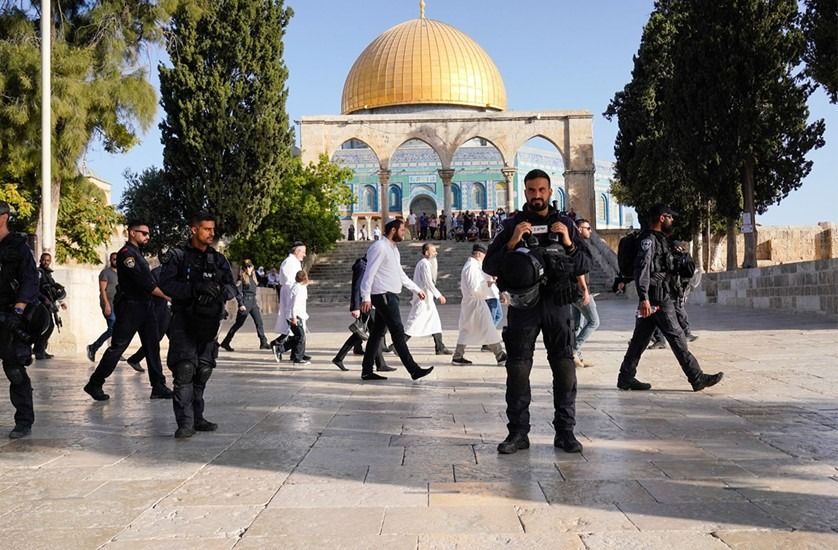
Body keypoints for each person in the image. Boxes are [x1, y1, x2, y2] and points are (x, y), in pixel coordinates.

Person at [483, 169, 591, 455]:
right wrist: (512, 241)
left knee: (564, 368)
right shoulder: (512, 225)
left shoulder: (565, 223)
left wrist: (568, 242)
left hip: (558, 304)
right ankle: (518, 433)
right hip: (524, 307)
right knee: (518, 369)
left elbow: (585, 263)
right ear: (525, 192)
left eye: (542, 190)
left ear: (550, 191)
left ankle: (565, 432)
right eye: (532, 190)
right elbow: (489, 266)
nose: (537, 195)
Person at [617, 204, 723, 392]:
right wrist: (644, 298)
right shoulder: (648, 240)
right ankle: (697, 377)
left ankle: (625, 377)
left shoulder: (661, 240)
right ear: (661, 218)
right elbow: (642, 268)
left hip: (658, 295)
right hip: (657, 297)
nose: (672, 220)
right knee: (677, 337)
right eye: (670, 217)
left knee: (640, 340)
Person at [158, 212, 237, 439]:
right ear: (194, 230)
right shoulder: (178, 256)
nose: (212, 233)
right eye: (207, 229)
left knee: (203, 370)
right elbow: (166, 285)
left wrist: (218, 291)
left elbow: (232, 287)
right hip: (183, 320)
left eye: (213, 229)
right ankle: (185, 422)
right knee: (184, 370)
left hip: (209, 322)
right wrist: (195, 289)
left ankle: (197, 417)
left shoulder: (218, 259)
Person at [83, 221, 173, 401]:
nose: (147, 237)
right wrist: (167, 296)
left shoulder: (138, 254)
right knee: (118, 347)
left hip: (145, 306)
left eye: (148, 234)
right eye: (144, 233)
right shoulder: (127, 254)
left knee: (152, 345)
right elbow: (145, 282)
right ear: (132, 232)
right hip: (131, 307)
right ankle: (95, 383)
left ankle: (158, 385)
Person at [359, 219, 434, 382]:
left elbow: (400, 274)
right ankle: (414, 370)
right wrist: (365, 296)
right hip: (383, 295)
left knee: (377, 333)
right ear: (393, 230)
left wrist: (416, 289)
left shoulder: (393, 249)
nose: (404, 232)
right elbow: (369, 273)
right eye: (401, 230)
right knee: (398, 331)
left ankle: (366, 371)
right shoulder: (379, 247)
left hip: (391, 294)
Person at [0, 201, 41, 438]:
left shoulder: (19, 247)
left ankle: (24, 420)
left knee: (14, 369)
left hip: (10, 315)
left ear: (4, 217)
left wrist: (18, 310)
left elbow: (29, 280)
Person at [332, 254, 393, 372]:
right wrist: (355, 307)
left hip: (369, 303)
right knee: (374, 333)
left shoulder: (369, 265)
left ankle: (339, 358)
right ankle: (380, 364)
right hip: (364, 304)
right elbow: (356, 287)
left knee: (362, 333)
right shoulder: (362, 265)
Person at [452, 244, 507, 365]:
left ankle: (457, 356)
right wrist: (487, 285)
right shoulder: (471, 267)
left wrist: (487, 283)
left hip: (473, 303)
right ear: (478, 254)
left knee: (467, 330)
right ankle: (500, 355)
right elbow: (474, 288)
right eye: (484, 255)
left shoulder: (474, 266)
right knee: (488, 327)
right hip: (475, 302)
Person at [87, 252, 141, 368]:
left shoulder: (122, 273)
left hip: (120, 305)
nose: (115, 261)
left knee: (118, 329)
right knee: (112, 328)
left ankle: (116, 352)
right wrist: (106, 304)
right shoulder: (105, 273)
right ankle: (93, 347)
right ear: (110, 260)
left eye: (117, 259)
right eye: (113, 259)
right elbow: (102, 290)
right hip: (109, 305)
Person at [124, 259, 172, 372]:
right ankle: (135, 359)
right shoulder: (157, 273)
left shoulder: (174, 272)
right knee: (156, 338)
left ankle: (182, 365)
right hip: (160, 310)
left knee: (176, 339)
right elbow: (152, 289)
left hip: (170, 310)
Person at [404, 243, 451, 355]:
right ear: (426, 252)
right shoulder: (424, 264)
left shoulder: (425, 263)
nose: (436, 253)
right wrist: (438, 295)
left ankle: (440, 347)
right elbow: (428, 282)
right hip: (423, 299)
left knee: (435, 322)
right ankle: (397, 345)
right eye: (433, 251)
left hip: (427, 299)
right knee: (413, 324)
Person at [220, 259, 270, 352]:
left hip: (253, 302)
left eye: (250, 266)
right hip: (245, 302)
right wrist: (241, 304)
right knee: (238, 324)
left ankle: (263, 342)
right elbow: (238, 292)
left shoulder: (254, 277)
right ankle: (226, 342)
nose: (248, 268)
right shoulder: (242, 278)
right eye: (246, 267)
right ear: (243, 268)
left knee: (259, 322)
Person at [571, 219, 600, 368]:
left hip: (573, 291)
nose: (590, 231)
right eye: (587, 228)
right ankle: (573, 350)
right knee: (594, 322)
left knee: (577, 325)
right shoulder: (578, 246)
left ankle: (577, 358)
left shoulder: (573, 244)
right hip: (579, 291)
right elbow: (579, 271)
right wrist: (585, 291)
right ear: (579, 229)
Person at [271, 242, 307, 357]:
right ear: (297, 251)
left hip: (295, 297)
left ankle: (297, 352)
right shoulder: (289, 262)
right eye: (303, 252)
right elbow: (289, 282)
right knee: (294, 328)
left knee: (297, 329)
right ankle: (279, 346)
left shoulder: (295, 262)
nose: (304, 255)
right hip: (291, 298)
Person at [34, 252, 66, 360]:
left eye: (48, 260)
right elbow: (35, 288)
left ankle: (41, 349)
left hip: (48, 304)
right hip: (39, 304)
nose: (45, 262)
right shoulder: (39, 273)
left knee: (49, 326)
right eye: (44, 260)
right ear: (40, 260)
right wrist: (44, 299)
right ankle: (39, 350)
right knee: (46, 326)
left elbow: (52, 290)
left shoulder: (48, 274)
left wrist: (61, 302)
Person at [284, 270, 311, 365]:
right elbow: (294, 305)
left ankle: (295, 354)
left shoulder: (297, 286)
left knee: (298, 336)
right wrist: (294, 317)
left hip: (294, 315)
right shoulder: (299, 289)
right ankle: (297, 358)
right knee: (301, 336)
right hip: (295, 316)